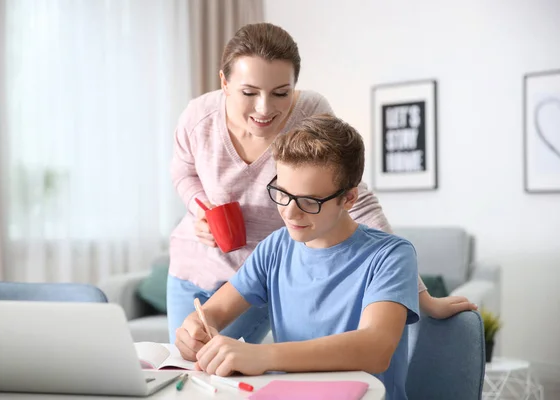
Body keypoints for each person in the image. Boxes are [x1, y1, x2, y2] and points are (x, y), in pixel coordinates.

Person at [168, 22, 475, 344]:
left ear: (295, 86)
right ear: (224, 82)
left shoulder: (310, 112)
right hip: (193, 265)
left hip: (259, 272)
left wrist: (422, 298)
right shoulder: (198, 116)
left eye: (280, 93)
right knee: (188, 365)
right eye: (249, 92)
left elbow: (352, 194)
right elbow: (183, 171)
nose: (264, 108)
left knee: (227, 373)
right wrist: (201, 208)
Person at [176, 114, 419, 399]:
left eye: (308, 201)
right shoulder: (275, 247)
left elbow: (375, 349)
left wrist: (261, 356)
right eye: (282, 193)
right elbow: (213, 312)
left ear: (349, 199)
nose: (289, 212)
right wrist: (194, 327)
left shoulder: (390, 255)